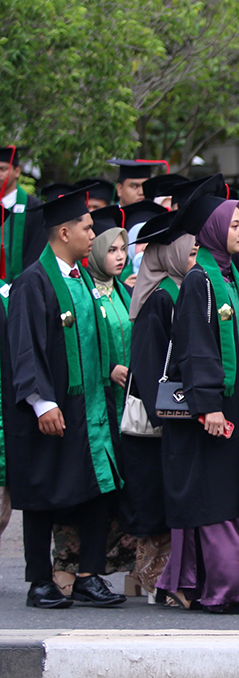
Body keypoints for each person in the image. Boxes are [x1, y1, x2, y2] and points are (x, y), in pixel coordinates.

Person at [156, 176, 239, 614]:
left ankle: (195, 583)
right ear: (212, 229)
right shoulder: (199, 281)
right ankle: (219, 588)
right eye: (236, 226)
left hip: (231, 404)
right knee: (210, 497)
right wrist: (206, 405)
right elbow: (194, 347)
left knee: (219, 495)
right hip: (208, 410)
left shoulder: (230, 275)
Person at [7, 188, 124, 608]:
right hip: (53, 409)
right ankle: (40, 581)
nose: (93, 234)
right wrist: (42, 402)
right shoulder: (33, 282)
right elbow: (25, 347)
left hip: (91, 406)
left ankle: (90, 575)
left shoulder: (83, 282)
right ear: (63, 231)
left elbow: (92, 340)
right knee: (43, 494)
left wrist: (110, 368)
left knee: (96, 490)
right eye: (87, 227)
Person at [123, 211, 195, 602]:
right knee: (155, 500)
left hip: (166, 418)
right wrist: (168, 414)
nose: (194, 252)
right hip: (156, 423)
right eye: (187, 247)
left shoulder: (175, 289)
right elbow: (150, 365)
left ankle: (148, 578)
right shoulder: (161, 298)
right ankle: (155, 579)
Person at [0, 146, 48, 280]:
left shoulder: (34, 208)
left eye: (3, 169)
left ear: (17, 171)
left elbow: (37, 251)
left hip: (22, 286)